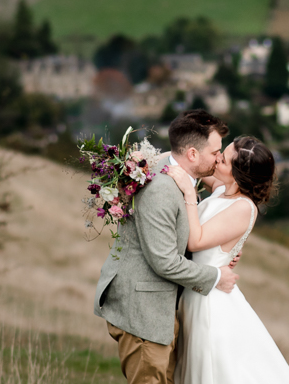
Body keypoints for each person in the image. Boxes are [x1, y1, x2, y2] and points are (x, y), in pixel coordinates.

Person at [93, 110, 240, 384]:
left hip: (160, 310)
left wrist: (221, 252)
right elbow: (165, 261)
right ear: (193, 154)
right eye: (216, 152)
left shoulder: (180, 176)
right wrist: (217, 277)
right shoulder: (161, 188)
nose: (219, 158)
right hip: (142, 312)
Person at [165, 135, 289, 384]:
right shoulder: (221, 190)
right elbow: (191, 165)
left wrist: (188, 193)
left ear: (237, 176)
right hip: (195, 290)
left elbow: (195, 241)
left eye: (223, 159)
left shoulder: (244, 207)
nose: (217, 159)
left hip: (210, 301)